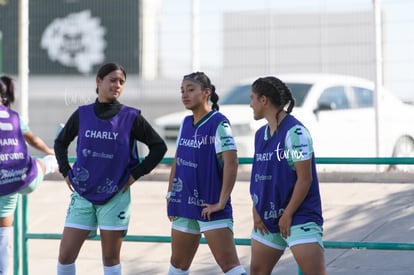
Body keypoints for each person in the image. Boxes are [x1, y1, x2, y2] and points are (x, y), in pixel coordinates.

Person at [54, 63, 167, 275]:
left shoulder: (131, 117)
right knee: (65, 255)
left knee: (110, 259)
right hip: (83, 194)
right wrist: (65, 170)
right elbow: (61, 142)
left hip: (116, 195)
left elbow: (159, 147)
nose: (117, 85)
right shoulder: (82, 114)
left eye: (121, 82)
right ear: (99, 81)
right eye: (112, 80)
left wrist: (136, 174)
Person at [166, 72, 247, 275]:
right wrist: (170, 196)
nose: (185, 95)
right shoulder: (185, 122)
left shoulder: (219, 123)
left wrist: (221, 202)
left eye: (191, 90)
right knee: (177, 265)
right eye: (182, 91)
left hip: (210, 207)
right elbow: (177, 160)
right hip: (184, 204)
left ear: (206, 93)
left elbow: (232, 162)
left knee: (229, 265)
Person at [248, 76, 327, 275]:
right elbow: (260, 175)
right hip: (267, 217)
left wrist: (288, 213)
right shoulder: (260, 135)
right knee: (257, 271)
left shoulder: (296, 133)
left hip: (299, 216)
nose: (251, 104)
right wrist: (256, 207)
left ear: (264, 100)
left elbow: (305, 178)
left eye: (253, 98)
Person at [0, 75, 58, 275]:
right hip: (21, 177)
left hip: (4, 180)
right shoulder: (14, 116)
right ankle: (54, 161)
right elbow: (32, 139)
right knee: (2, 238)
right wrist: (50, 151)